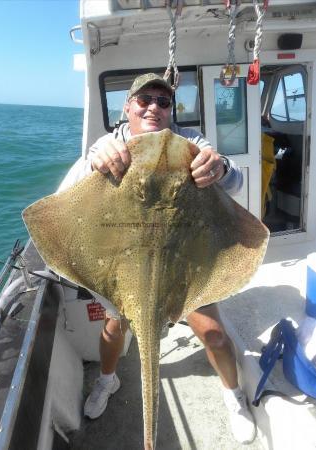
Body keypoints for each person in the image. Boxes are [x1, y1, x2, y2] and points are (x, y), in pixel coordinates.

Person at [58, 73, 255, 445]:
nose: (154, 107)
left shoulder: (191, 142)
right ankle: (107, 379)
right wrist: (93, 164)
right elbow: (63, 199)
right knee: (116, 330)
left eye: (163, 102)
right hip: (124, 261)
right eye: (145, 99)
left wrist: (220, 168)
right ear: (128, 107)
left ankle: (234, 396)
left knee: (213, 332)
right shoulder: (108, 144)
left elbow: (234, 184)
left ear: (171, 111)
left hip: (185, 258)